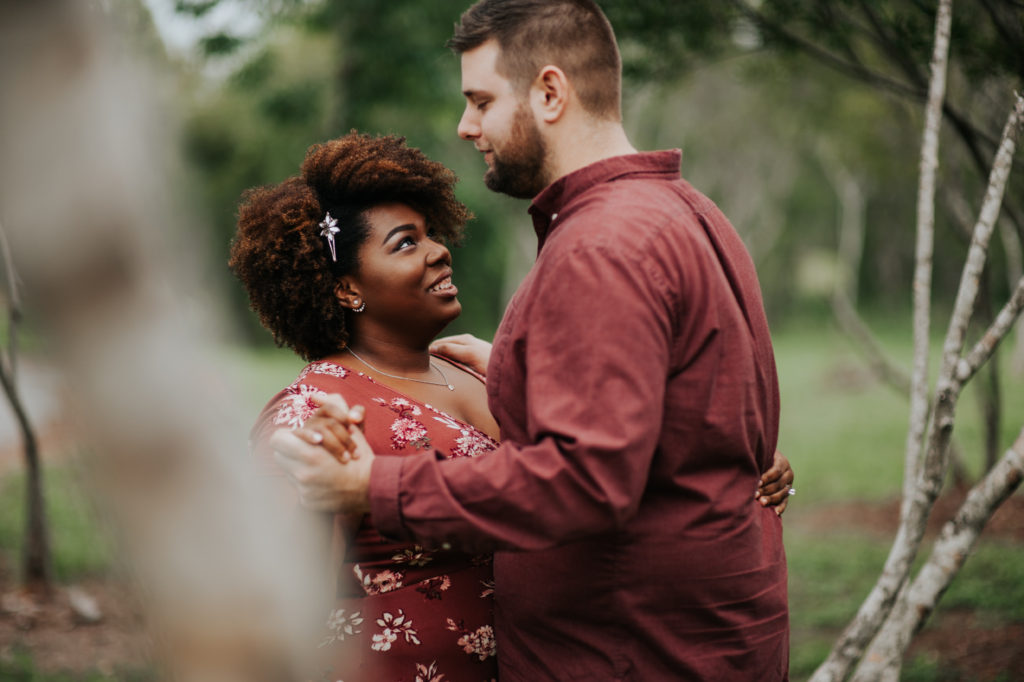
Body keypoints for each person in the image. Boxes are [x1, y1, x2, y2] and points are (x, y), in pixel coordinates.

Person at [271, 1, 792, 675]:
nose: (466, 127)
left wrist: (376, 486)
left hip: (634, 654)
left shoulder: (600, 248)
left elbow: (586, 480)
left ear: (550, 92)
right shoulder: (686, 211)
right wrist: (524, 375)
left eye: (481, 101)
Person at [231, 132, 503, 682]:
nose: (439, 250)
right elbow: (278, 595)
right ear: (347, 289)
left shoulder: (475, 366)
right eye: (405, 243)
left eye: (430, 234)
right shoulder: (312, 411)